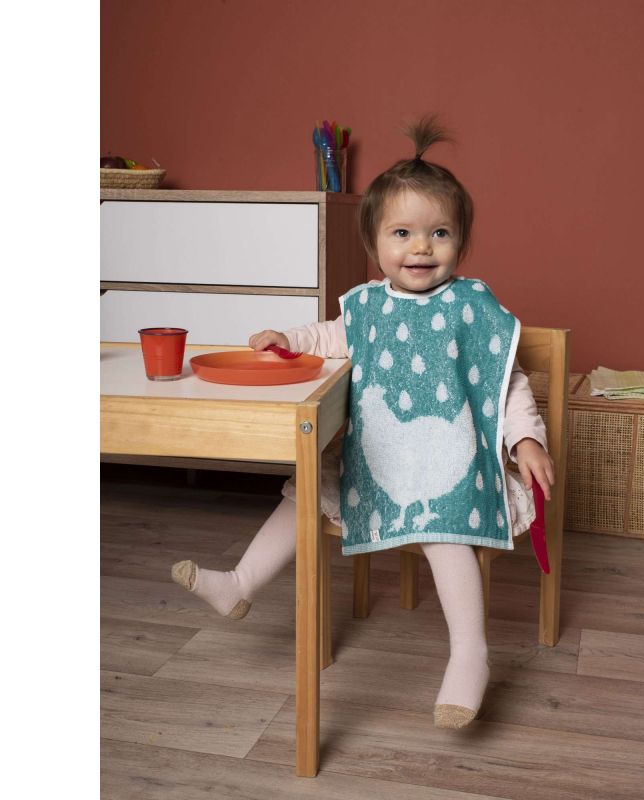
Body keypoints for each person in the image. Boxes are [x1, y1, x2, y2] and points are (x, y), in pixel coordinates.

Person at [172, 116, 554, 730]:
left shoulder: (472, 306)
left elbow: (505, 380)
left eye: (439, 233)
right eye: (402, 233)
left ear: (462, 242)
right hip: (379, 459)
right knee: (304, 495)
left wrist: (526, 438)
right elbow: (327, 336)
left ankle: (470, 655)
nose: (421, 248)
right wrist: (287, 340)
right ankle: (240, 583)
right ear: (374, 244)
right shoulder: (368, 306)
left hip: (446, 466)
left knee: (446, 531)